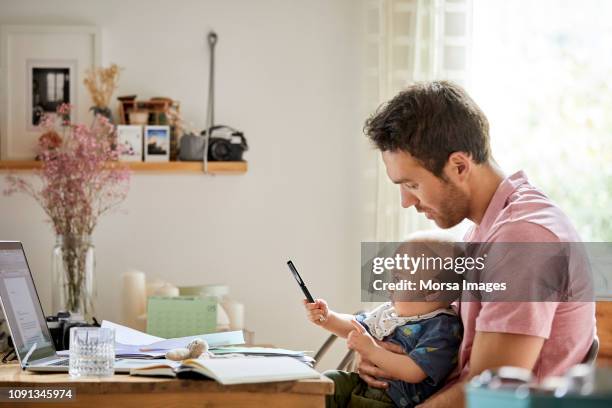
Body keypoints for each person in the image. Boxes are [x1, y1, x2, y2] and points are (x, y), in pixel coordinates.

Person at [357, 81, 595, 407]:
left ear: (459, 166)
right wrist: (383, 355)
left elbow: (489, 396)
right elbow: (447, 339)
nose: (406, 201)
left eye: (412, 184)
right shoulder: (487, 229)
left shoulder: (522, 239)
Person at [305, 231, 464, 408]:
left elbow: (415, 371)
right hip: (363, 385)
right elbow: (355, 326)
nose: (389, 285)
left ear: (432, 290)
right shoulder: (391, 311)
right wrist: (327, 317)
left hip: (392, 400)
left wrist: (372, 351)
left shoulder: (444, 327)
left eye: (398, 278)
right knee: (330, 381)